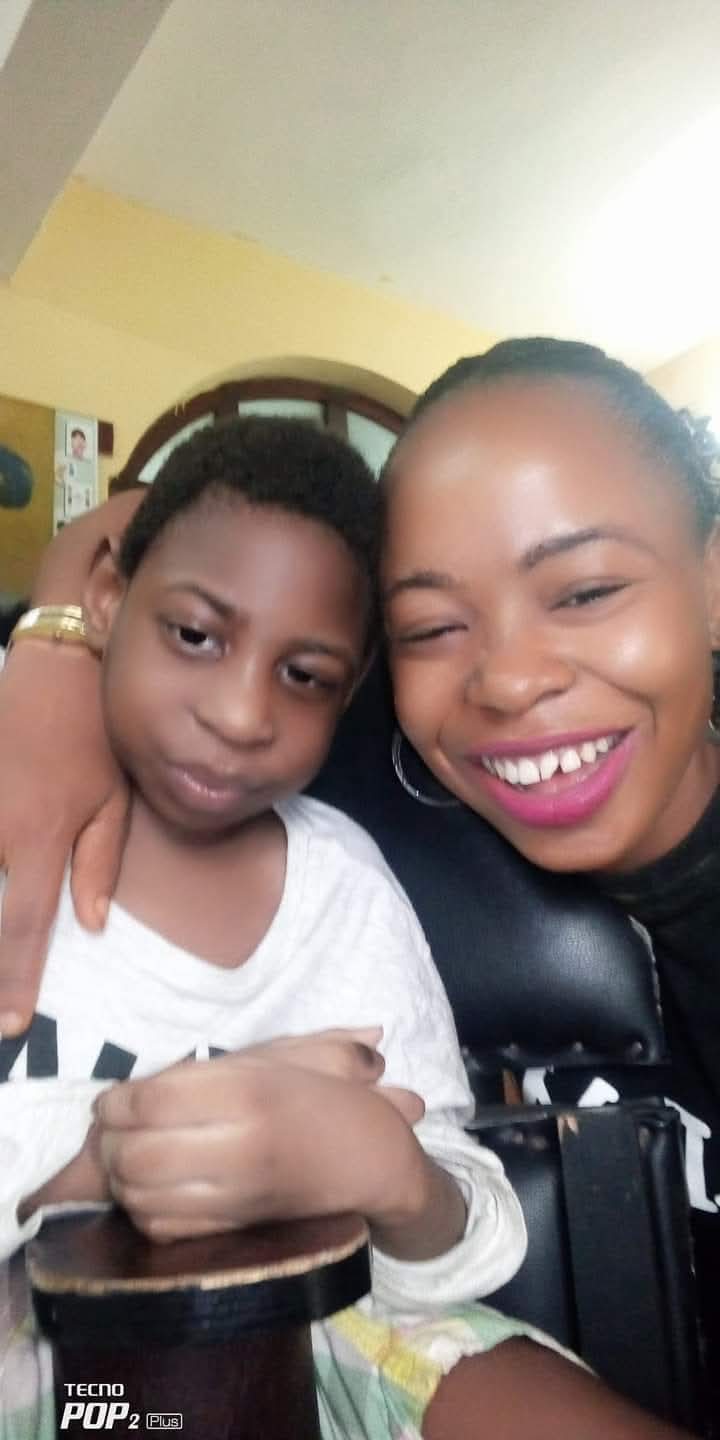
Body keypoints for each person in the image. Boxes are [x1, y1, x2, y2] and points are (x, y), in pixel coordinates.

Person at [0, 410, 692, 1438]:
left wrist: (395, 1176)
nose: (240, 713)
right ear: (107, 596)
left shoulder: (341, 892)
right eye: (195, 634)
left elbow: (455, 1264)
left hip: (303, 1342)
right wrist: (95, 1165)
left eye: (305, 676)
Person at [379, 336, 720, 1427]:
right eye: (432, 627)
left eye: (585, 590)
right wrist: (53, 650)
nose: (511, 678)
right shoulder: (362, 886)